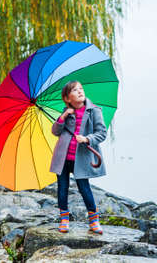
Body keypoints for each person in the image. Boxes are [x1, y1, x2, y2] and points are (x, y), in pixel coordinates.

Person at [50, 80, 107, 234]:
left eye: (81, 88)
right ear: (67, 98)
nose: (80, 91)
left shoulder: (94, 111)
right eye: (75, 90)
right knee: (62, 188)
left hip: (80, 159)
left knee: (84, 188)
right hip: (63, 158)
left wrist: (87, 139)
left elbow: (101, 133)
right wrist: (63, 117)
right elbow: (55, 131)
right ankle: (64, 219)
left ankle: (94, 220)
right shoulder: (66, 112)